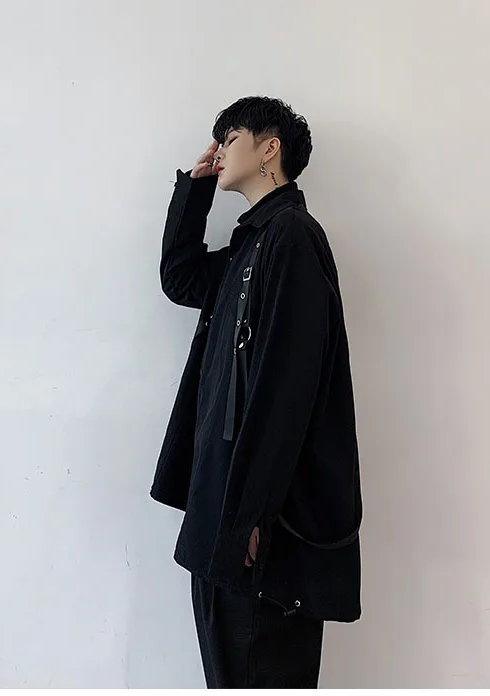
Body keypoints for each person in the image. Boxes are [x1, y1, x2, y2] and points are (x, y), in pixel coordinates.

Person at [150, 96, 362, 688]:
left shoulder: (292, 238)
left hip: (260, 531)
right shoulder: (252, 245)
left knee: (259, 669)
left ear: (271, 148)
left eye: (231, 136)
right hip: (224, 511)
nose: (219, 150)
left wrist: (251, 516)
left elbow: (287, 390)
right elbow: (181, 278)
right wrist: (194, 191)